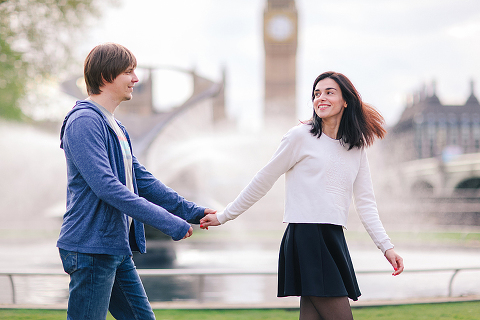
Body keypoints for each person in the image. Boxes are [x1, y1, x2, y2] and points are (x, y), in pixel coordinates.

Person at [200, 71, 404, 320]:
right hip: (306, 236)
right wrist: (224, 216)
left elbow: (365, 203)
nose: (321, 98)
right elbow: (263, 179)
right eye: (317, 93)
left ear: (346, 100)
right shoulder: (300, 136)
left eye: (329, 92)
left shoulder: (356, 146)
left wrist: (387, 247)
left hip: (333, 237)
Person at [57, 43, 215, 320]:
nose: (136, 79)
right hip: (90, 248)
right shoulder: (84, 121)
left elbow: (143, 181)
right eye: (129, 72)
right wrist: (168, 222)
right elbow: (108, 187)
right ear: (107, 76)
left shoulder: (115, 127)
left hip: (114, 247)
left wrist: (192, 212)